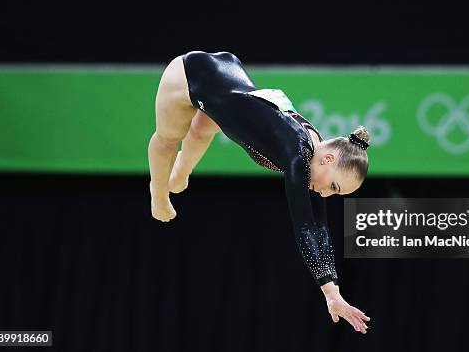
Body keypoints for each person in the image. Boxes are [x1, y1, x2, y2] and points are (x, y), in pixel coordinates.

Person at [148, 51, 371, 333]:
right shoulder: (296, 152)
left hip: (227, 81)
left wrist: (334, 291)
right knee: (168, 139)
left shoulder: (314, 147)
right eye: (333, 187)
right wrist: (329, 292)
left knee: (203, 128)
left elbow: (320, 225)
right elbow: (304, 226)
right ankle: (158, 192)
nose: (325, 194)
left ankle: (181, 172)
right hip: (192, 74)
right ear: (328, 159)